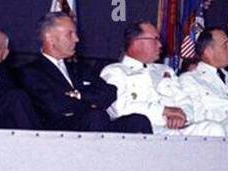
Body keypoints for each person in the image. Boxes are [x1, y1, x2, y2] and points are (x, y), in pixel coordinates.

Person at [19, 12, 151, 134]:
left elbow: (109, 92)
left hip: (95, 122)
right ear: (50, 38)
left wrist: (78, 95)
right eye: (70, 34)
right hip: (57, 133)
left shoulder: (79, 68)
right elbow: (55, 106)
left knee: (138, 121)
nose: (76, 39)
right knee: (95, 116)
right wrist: (91, 102)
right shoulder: (31, 72)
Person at [99, 22, 225, 136]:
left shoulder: (165, 70)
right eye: (155, 39)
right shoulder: (115, 71)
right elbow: (120, 108)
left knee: (213, 129)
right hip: (146, 130)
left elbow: (185, 99)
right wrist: (164, 112)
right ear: (136, 42)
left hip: (177, 128)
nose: (160, 45)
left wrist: (181, 115)